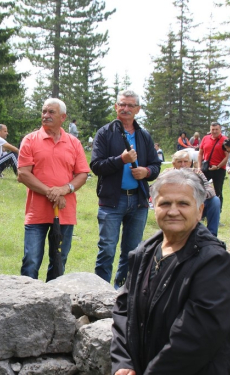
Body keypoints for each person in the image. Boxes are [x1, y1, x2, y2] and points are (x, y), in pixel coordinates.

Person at [111, 169, 230, 375]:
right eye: (165, 203)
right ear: (154, 206)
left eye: (183, 203)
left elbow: (197, 336)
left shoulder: (213, 262)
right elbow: (124, 309)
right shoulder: (144, 253)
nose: (173, 211)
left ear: (200, 210)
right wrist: (123, 363)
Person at [90, 90, 161, 289]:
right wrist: (121, 160)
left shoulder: (144, 136)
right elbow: (96, 166)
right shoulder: (105, 133)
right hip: (112, 201)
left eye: (130, 106)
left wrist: (146, 171)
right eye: (122, 104)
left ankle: (124, 291)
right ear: (116, 107)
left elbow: (156, 165)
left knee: (132, 251)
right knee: (107, 249)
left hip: (138, 202)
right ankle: (100, 293)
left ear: (137, 109)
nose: (125, 109)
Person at [18, 98, 89, 280]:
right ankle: (26, 302)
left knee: (59, 261)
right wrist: (51, 192)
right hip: (37, 213)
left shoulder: (74, 143)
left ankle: (53, 303)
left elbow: (82, 174)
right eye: (44, 111)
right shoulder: (30, 140)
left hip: (65, 212)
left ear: (63, 117)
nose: (46, 115)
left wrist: (65, 189)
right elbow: (23, 174)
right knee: (31, 260)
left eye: (51, 112)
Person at [169, 150, 220, 237]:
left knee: (215, 200)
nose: (183, 165)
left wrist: (194, 196)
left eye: (185, 161)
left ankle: (212, 236)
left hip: (196, 205)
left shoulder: (197, 172)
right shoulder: (168, 174)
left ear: (190, 163)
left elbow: (211, 191)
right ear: (174, 163)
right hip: (176, 207)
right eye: (179, 162)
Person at [198, 121, 228, 212]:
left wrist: (218, 166)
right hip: (206, 168)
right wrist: (199, 167)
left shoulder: (225, 140)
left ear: (220, 130)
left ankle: (217, 213)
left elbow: (227, 156)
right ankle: (201, 212)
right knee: (201, 189)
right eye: (212, 129)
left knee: (218, 191)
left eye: (216, 129)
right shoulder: (205, 138)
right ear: (210, 130)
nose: (214, 131)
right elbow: (200, 153)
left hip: (219, 170)